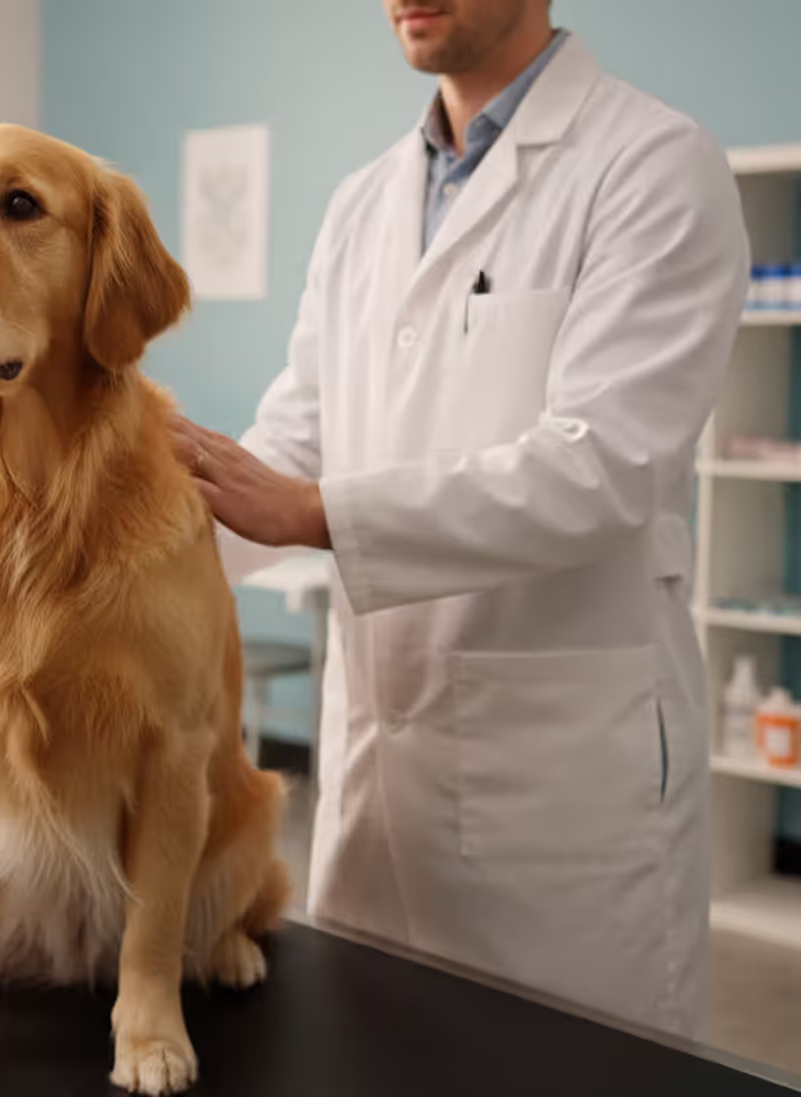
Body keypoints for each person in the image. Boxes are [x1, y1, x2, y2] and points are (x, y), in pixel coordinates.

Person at [171, 0, 748, 1036]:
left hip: (556, 791)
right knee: (369, 1049)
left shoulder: (654, 165)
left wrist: (315, 513)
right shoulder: (362, 204)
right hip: (377, 774)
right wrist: (120, 555)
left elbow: (603, 466)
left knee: (559, 1064)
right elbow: (297, 435)